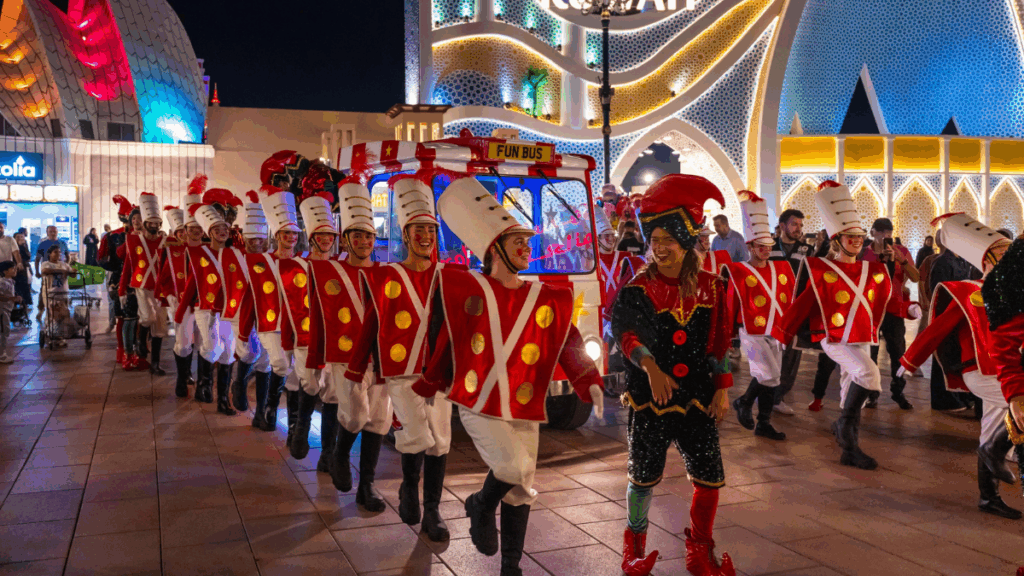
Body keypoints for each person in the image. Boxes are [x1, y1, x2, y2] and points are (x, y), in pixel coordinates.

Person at [412, 176, 604, 576]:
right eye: (518, 241)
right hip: (478, 402)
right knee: (512, 469)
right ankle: (479, 504)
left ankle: (511, 567)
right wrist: (431, 381)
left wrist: (588, 382)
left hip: (524, 403)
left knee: (521, 488)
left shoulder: (543, 295)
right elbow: (445, 338)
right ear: (495, 249)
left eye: (527, 242)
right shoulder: (468, 287)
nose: (527, 248)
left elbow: (568, 340)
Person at [612, 175, 735, 576]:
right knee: (642, 476)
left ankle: (699, 551)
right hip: (652, 398)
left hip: (697, 396)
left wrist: (721, 390)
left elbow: (719, 343)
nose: (660, 247)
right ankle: (633, 548)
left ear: (685, 241)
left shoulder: (713, 287)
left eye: (668, 239)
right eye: (655, 239)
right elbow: (626, 334)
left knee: (710, 478)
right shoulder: (638, 288)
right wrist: (651, 369)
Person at [343, 172, 453, 543]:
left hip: (438, 372)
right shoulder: (386, 275)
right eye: (419, 230)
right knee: (417, 436)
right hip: (401, 372)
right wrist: (355, 370)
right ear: (405, 236)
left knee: (440, 441)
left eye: (431, 230)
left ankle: (432, 510)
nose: (426, 237)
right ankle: (409, 486)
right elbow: (371, 324)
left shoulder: (449, 276)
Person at [899, 213, 1017, 518]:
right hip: (978, 370)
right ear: (988, 260)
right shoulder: (967, 291)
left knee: (991, 428)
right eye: (1004, 255)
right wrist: (910, 361)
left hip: (1005, 371)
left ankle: (988, 497)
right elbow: (937, 329)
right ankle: (995, 452)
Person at [772, 181, 892, 470]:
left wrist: (909, 308)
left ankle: (849, 448)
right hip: (833, 337)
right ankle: (843, 427)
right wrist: (782, 333)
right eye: (850, 236)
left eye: (860, 236)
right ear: (838, 240)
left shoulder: (871, 269)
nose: (857, 241)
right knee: (869, 373)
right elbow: (803, 304)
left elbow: (882, 300)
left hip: (862, 336)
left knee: (852, 392)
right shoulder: (823, 269)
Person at [310, 176, 391, 511]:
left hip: (381, 359)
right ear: (345, 239)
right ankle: (339, 454)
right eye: (357, 235)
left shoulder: (387, 273)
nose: (364, 241)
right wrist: (315, 360)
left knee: (379, 420)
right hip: (345, 358)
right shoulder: (326, 271)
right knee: (356, 415)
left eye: (369, 236)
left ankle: (367, 486)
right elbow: (318, 317)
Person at [237, 185, 309, 436]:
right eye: (286, 232)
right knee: (280, 364)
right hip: (270, 325)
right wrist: (244, 332)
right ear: (277, 235)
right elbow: (250, 297)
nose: (291, 237)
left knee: (295, 372)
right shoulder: (261, 262)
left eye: (294, 233)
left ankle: (289, 421)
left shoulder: (303, 262)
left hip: (296, 325)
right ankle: (269, 408)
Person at [728, 191, 794, 441]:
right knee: (769, 375)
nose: (766, 250)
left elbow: (790, 298)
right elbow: (731, 303)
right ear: (750, 246)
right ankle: (744, 402)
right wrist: (729, 335)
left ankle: (763, 422)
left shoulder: (782, 268)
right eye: (761, 247)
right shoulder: (738, 270)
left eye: (768, 246)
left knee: (770, 377)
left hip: (776, 329)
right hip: (751, 331)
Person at [176, 191, 248, 414]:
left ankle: (223, 400)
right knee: (212, 346)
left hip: (229, 311)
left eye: (224, 229)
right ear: (210, 233)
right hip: (205, 309)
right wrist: (181, 312)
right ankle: (204, 385)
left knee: (229, 351)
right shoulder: (199, 254)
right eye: (217, 230)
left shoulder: (235, 254)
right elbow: (192, 284)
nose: (222, 232)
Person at [861, 217, 920, 410]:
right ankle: (871, 393)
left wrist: (902, 261)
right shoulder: (863, 252)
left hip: (894, 309)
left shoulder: (900, 251)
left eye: (888, 233)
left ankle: (898, 392)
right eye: (881, 233)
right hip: (870, 310)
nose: (885, 237)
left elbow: (916, 277)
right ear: (873, 233)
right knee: (870, 354)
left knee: (898, 352)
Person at [229, 192, 272, 418]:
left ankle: (261, 413)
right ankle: (239, 381)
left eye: (260, 239)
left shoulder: (271, 258)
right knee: (249, 351)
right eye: (252, 239)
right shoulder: (236, 257)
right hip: (242, 312)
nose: (256, 243)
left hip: (266, 313)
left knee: (266, 361)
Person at [768, 209, 812, 415]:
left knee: (791, 355)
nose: (798, 229)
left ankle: (779, 396)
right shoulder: (769, 247)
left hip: (795, 310)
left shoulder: (807, 250)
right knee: (770, 353)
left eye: (800, 225)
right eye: (794, 224)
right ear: (782, 225)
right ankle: (765, 393)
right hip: (772, 308)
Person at [119, 193, 168, 375]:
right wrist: (122, 289)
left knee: (160, 328)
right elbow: (128, 266)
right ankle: (141, 341)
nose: (154, 226)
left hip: (161, 289)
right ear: (146, 223)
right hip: (141, 286)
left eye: (157, 223)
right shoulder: (133, 240)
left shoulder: (166, 242)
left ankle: (155, 363)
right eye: (151, 223)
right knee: (147, 317)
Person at [157, 203, 195, 397]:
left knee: (197, 341)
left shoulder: (201, 249)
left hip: (200, 303)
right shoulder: (171, 252)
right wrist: (171, 296)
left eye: (186, 231)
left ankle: (190, 374)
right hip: (180, 302)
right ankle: (182, 377)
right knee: (182, 340)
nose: (183, 235)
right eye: (180, 232)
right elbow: (164, 279)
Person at [98, 196, 133, 363]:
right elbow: (102, 259)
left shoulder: (142, 235)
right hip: (119, 278)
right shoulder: (112, 236)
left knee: (137, 317)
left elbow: (101, 259)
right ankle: (122, 350)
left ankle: (133, 350)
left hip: (137, 278)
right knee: (122, 315)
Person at [40, 245, 74, 347]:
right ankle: (51, 334)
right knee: (52, 314)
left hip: (63, 293)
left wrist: (72, 271)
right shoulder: (46, 264)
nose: (58, 254)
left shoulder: (64, 264)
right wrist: (61, 271)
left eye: (59, 252)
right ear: (50, 254)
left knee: (63, 314)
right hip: (50, 293)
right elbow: (44, 271)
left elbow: (72, 274)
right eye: (55, 252)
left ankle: (59, 335)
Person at [0, 261, 20, 364]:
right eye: (12, 268)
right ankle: (1, 355)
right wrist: (11, 298)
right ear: (5, 271)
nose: (15, 270)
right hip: (2, 310)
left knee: (5, 331)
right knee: (4, 332)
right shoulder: (2, 282)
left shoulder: (11, 281)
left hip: (7, 310)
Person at [12, 233, 31, 317]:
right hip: (13, 270)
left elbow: (28, 257)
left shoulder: (24, 246)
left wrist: (22, 246)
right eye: (17, 237)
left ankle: (24, 308)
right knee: (15, 289)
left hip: (22, 271)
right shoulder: (12, 246)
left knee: (24, 288)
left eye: (21, 237)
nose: (20, 238)